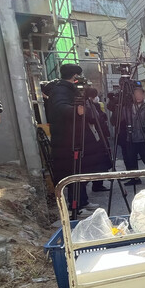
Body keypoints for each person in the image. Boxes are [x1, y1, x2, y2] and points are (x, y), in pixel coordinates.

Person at [43, 63, 98, 211]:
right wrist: (76, 111)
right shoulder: (61, 90)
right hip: (67, 140)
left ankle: (83, 201)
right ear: (75, 76)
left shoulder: (65, 89)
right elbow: (60, 108)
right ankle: (76, 207)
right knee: (73, 172)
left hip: (71, 137)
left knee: (79, 172)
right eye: (78, 76)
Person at [84, 87, 112, 192]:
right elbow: (95, 119)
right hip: (95, 139)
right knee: (97, 163)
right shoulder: (88, 106)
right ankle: (97, 184)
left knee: (100, 163)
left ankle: (98, 183)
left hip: (99, 137)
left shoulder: (95, 106)